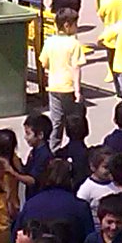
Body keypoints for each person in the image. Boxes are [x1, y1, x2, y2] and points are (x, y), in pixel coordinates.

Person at [39, 8, 84, 151]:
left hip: (53, 86)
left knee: (56, 121)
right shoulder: (74, 44)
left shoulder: (50, 41)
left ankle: (53, 149)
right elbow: (76, 67)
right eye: (75, 24)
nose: (77, 27)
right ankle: (75, 149)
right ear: (67, 25)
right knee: (73, 121)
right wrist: (78, 91)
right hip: (68, 87)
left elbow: (44, 62)